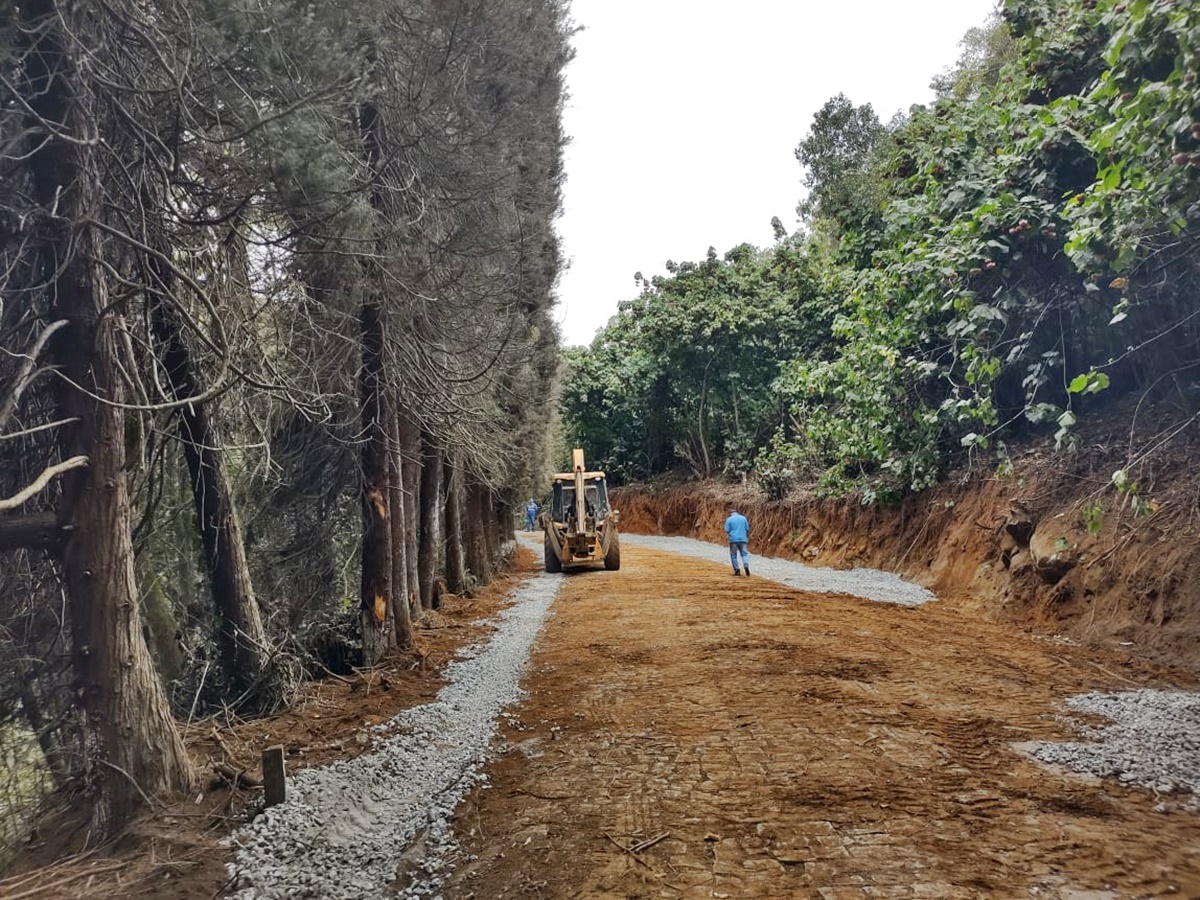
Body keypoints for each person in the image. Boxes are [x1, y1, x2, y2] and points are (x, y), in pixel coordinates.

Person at [724, 506, 750, 577]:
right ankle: (746, 564)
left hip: (733, 540)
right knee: (744, 554)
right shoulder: (743, 518)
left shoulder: (729, 519)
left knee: (733, 555)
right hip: (743, 539)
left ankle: (737, 570)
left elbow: (727, 530)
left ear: (730, 513)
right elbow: (747, 528)